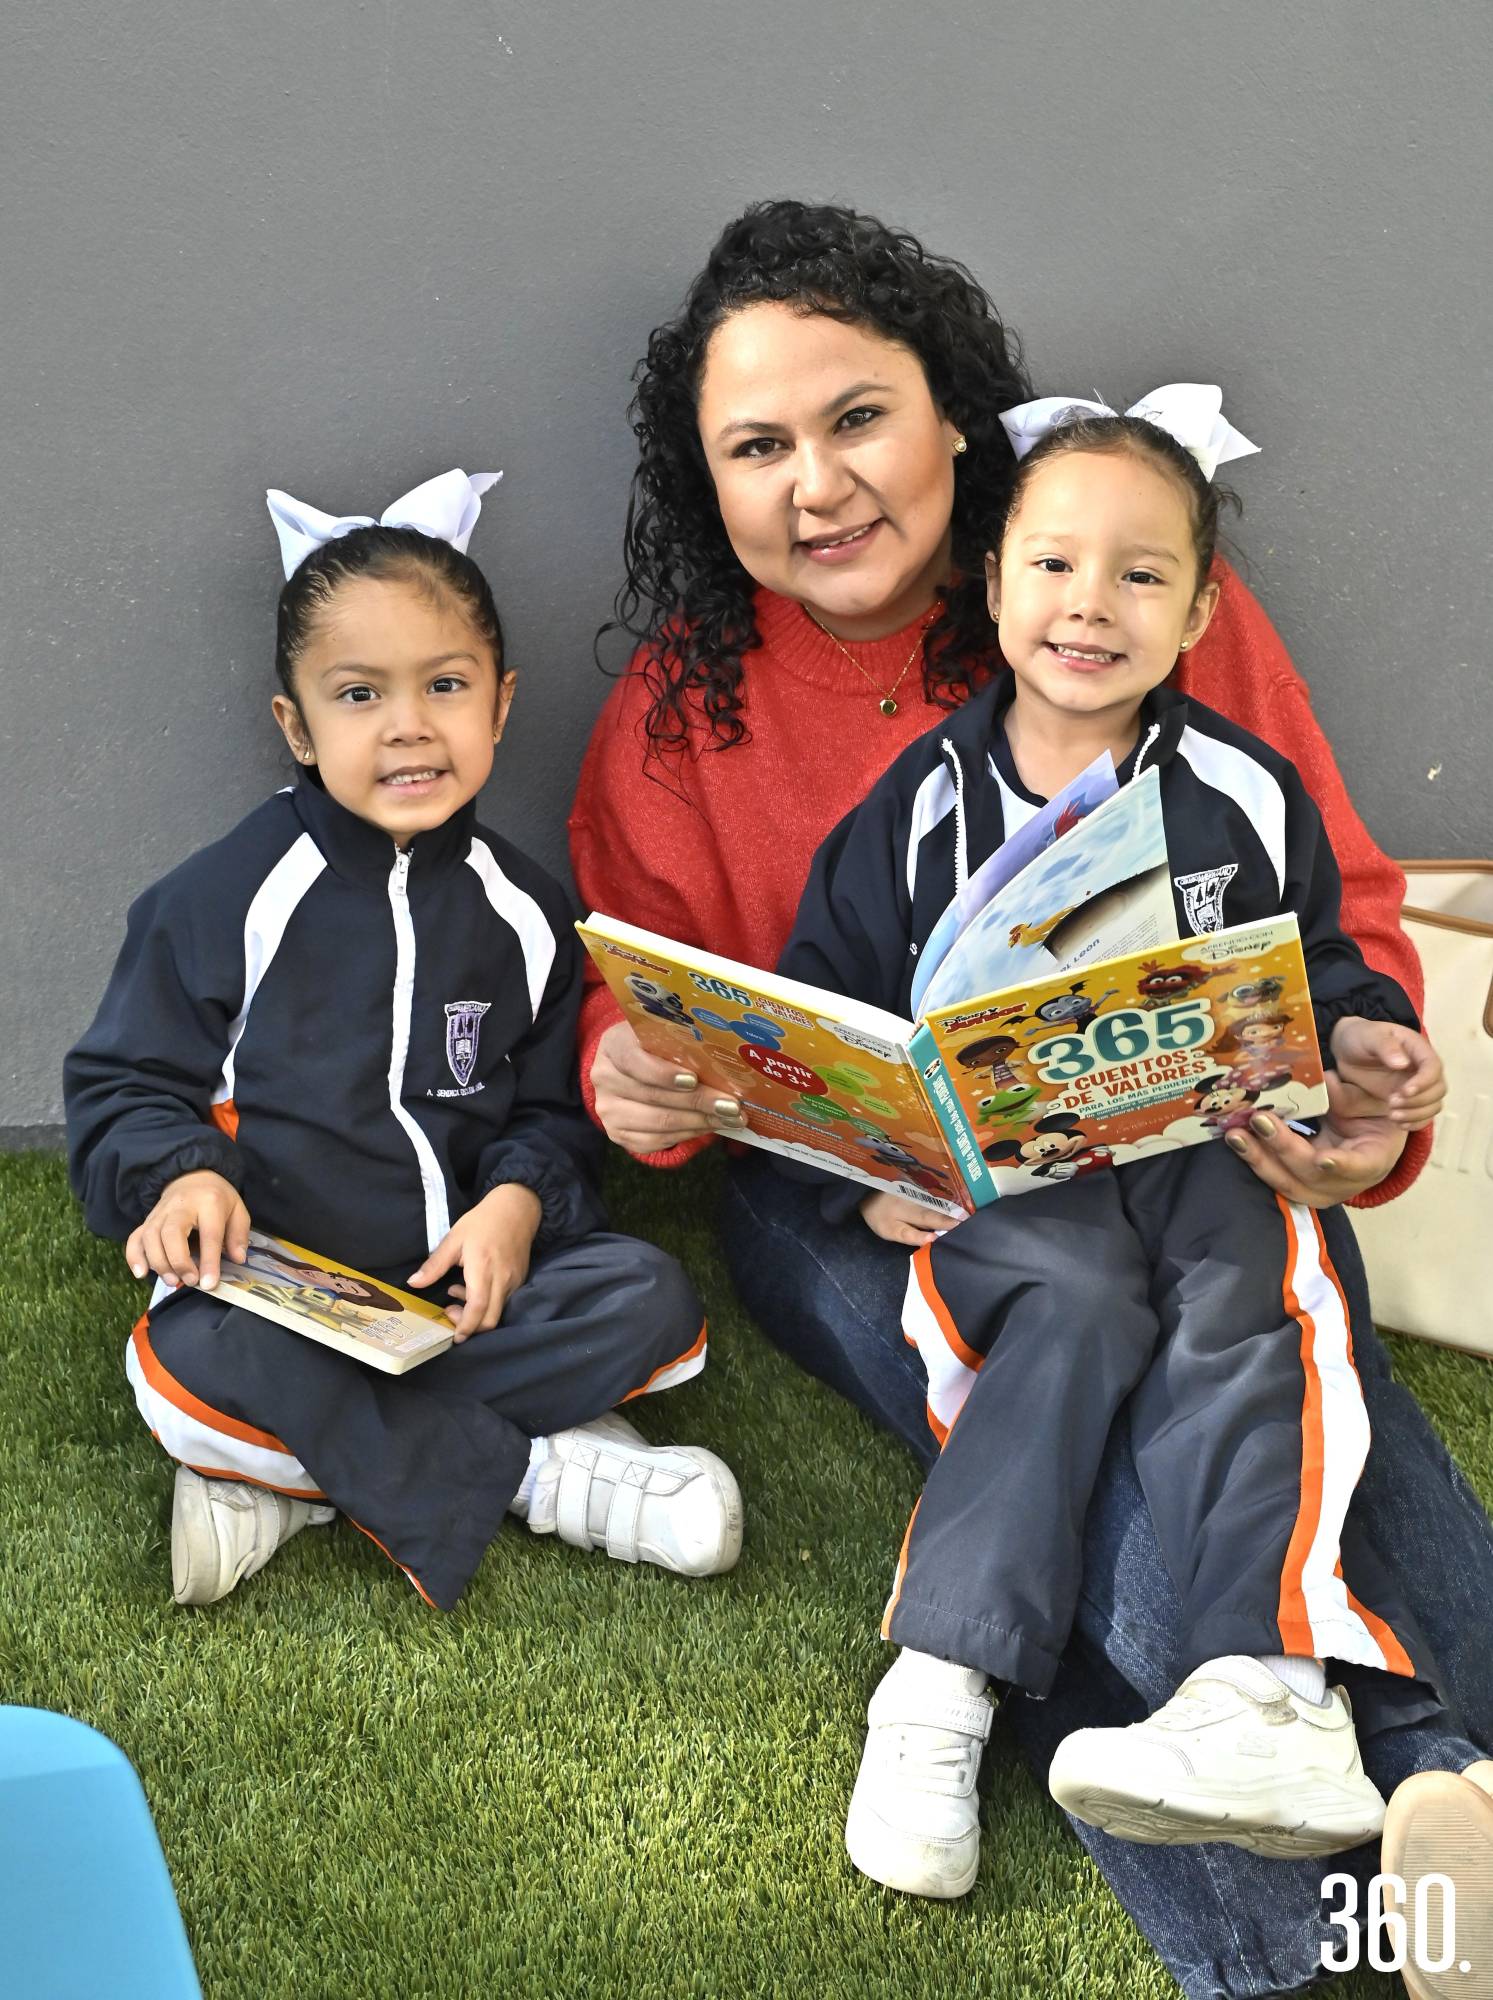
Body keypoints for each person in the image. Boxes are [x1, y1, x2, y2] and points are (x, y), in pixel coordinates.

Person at [569, 200, 1493, 1997]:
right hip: (876, 1196)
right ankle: (1341, 1950)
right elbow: (654, 1043)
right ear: (706, 483)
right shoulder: (672, 724)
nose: (817, 483)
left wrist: (1365, 1112)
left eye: (857, 418)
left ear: (955, 429)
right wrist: (642, 1090)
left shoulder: (1134, 589)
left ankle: (1441, 1827)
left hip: (1189, 1143)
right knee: (1102, 1412)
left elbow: (1332, 924)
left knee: (1295, 1408)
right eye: (755, 447)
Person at [777, 388, 1478, 1890]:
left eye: (1140, 574)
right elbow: (823, 1029)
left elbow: (1318, 968)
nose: (1089, 605)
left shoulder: (1239, 787)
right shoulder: (915, 809)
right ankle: (939, 1690)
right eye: (1052, 565)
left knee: (1258, 1294)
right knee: (1076, 1312)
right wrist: (872, 1172)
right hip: (1009, 1199)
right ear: (991, 580)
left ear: (1198, 608)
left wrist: (1358, 1039)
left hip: (1203, 1153)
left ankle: (1266, 1695)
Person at [66, 470, 742, 1611]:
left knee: (647, 1297)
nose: (408, 724)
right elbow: (122, 1086)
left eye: (443, 683)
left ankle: (285, 1473)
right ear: (295, 723)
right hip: (275, 1294)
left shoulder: (526, 911)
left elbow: (546, 1114)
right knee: (185, 1366)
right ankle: (540, 1472)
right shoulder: (223, 897)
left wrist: (517, 1205)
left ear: (501, 701)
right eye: (358, 693)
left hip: (452, 1298)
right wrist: (179, 1175)